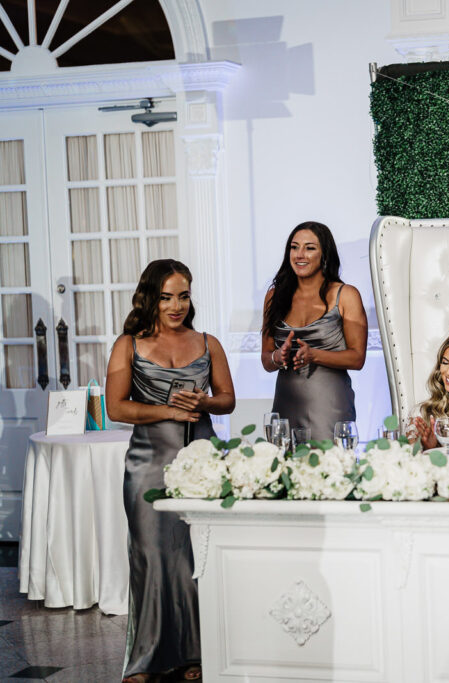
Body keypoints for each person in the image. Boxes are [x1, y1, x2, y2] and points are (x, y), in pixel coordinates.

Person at [106, 259, 235, 683]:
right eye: (166, 297)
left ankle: (197, 654)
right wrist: (167, 409)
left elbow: (227, 399)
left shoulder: (208, 342)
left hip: (201, 459)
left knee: (193, 558)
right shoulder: (128, 344)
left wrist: (203, 404)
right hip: (148, 464)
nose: (176, 305)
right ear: (150, 298)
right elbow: (116, 407)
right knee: (151, 557)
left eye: (183, 295)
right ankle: (146, 659)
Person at [261, 221, 367, 441]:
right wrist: (278, 357)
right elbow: (266, 360)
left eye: (309, 248)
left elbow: (357, 359)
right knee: (284, 469)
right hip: (285, 403)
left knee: (331, 468)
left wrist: (314, 355)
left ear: (324, 254)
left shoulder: (346, 295)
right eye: (294, 247)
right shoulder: (274, 296)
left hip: (329, 405)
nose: (300, 255)